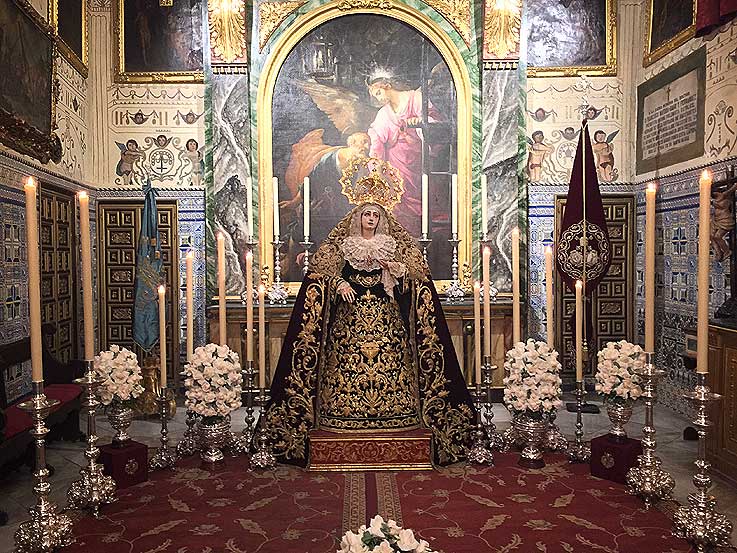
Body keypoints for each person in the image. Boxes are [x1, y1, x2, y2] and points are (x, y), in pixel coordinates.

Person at [261, 199, 474, 467]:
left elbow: (412, 280)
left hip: (387, 323)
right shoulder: (344, 246)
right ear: (357, 218)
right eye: (367, 214)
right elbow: (322, 275)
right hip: (349, 324)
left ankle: (397, 412)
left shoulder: (390, 245)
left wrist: (392, 268)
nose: (371, 218)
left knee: (394, 365)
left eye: (375, 215)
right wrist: (339, 283)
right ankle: (341, 412)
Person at [367, 77, 440, 235]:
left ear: (387, 86)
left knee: (422, 193)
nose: (378, 98)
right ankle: (405, 237)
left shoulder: (415, 98)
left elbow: (436, 122)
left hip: (418, 157)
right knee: (401, 197)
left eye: (378, 93)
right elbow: (377, 139)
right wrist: (375, 165)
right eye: (375, 96)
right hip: (396, 161)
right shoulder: (384, 113)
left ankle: (424, 235)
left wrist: (420, 122)